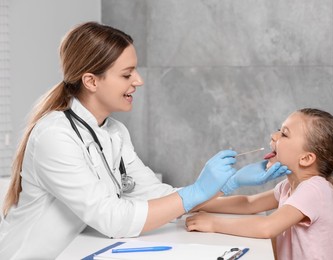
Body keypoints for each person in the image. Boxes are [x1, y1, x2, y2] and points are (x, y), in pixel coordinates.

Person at [0, 22, 290, 259]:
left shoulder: (114, 132)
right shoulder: (55, 137)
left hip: (76, 250)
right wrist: (198, 190)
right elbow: (113, 219)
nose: (138, 80)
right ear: (91, 81)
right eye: (127, 74)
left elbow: (154, 194)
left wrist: (227, 184)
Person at [186, 108, 333, 260]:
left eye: (284, 134)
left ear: (306, 158)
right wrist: (194, 201)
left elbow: (267, 227)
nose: (274, 135)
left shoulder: (315, 189)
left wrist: (213, 223)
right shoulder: (289, 186)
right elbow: (249, 204)